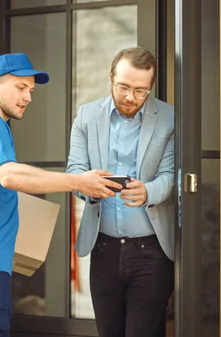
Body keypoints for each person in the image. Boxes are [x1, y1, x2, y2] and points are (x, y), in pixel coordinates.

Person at [0, 52, 122, 337]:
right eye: (20, 87)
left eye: (30, 90)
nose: (28, 97)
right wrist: (78, 181)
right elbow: (7, 175)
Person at [66, 46, 175, 337]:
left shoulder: (169, 118)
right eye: (123, 87)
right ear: (111, 77)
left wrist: (148, 192)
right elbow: (74, 170)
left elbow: (170, 176)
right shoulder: (87, 116)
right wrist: (90, 187)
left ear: (150, 86)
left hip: (151, 252)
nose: (130, 97)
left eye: (141, 91)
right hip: (103, 249)